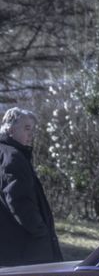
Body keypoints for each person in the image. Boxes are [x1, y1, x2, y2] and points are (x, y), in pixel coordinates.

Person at [0, 108, 62, 266]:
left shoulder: (6, 154)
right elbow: (19, 201)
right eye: (27, 128)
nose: (31, 135)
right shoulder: (13, 157)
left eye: (33, 130)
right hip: (26, 250)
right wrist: (42, 233)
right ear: (11, 129)